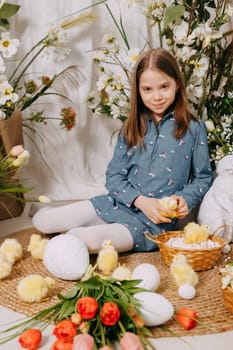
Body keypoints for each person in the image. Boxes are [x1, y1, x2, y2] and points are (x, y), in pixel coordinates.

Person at [32, 48, 213, 253]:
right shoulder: (132, 126)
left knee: (82, 240)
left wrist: (185, 200)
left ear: (177, 84)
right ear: (138, 90)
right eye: (148, 89)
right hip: (115, 203)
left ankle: (80, 232)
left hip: (151, 224)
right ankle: (48, 212)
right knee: (44, 222)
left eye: (164, 86)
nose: (157, 97)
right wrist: (141, 201)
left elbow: (203, 177)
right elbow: (114, 177)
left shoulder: (194, 128)